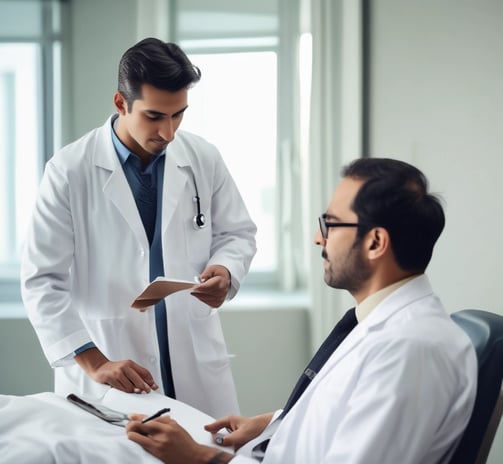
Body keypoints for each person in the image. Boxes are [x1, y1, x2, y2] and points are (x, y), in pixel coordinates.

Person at [125, 158, 477, 464]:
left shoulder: (409, 350)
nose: (318, 238)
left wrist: (199, 458)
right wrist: (278, 423)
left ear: (374, 243)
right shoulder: (382, 324)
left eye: (331, 224)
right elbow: (347, 417)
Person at [20, 38, 257, 418]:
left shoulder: (203, 157)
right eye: (154, 116)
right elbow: (41, 280)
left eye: (178, 114)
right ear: (120, 103)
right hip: (111, 365)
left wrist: (227, 271)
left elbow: (237, 233)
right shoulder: (69, 171)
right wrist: (94, 361)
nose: (169, 132)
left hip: (193, 362)